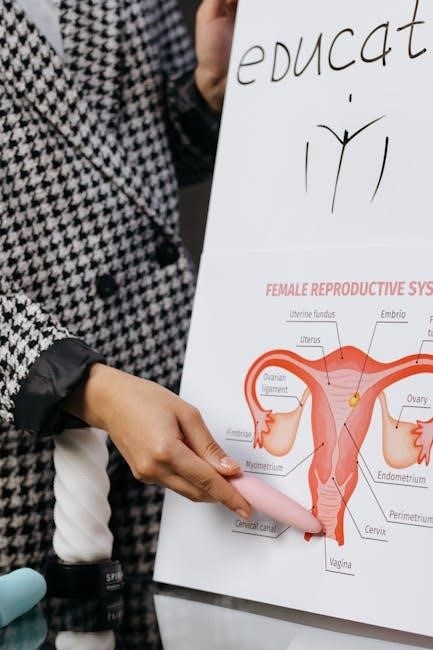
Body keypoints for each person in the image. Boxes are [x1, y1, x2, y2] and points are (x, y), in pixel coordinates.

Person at [0, 0, 251, 576]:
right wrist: (85, 387)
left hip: (176, 393)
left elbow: (128, 165)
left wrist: (206, 93)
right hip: (29, 445)